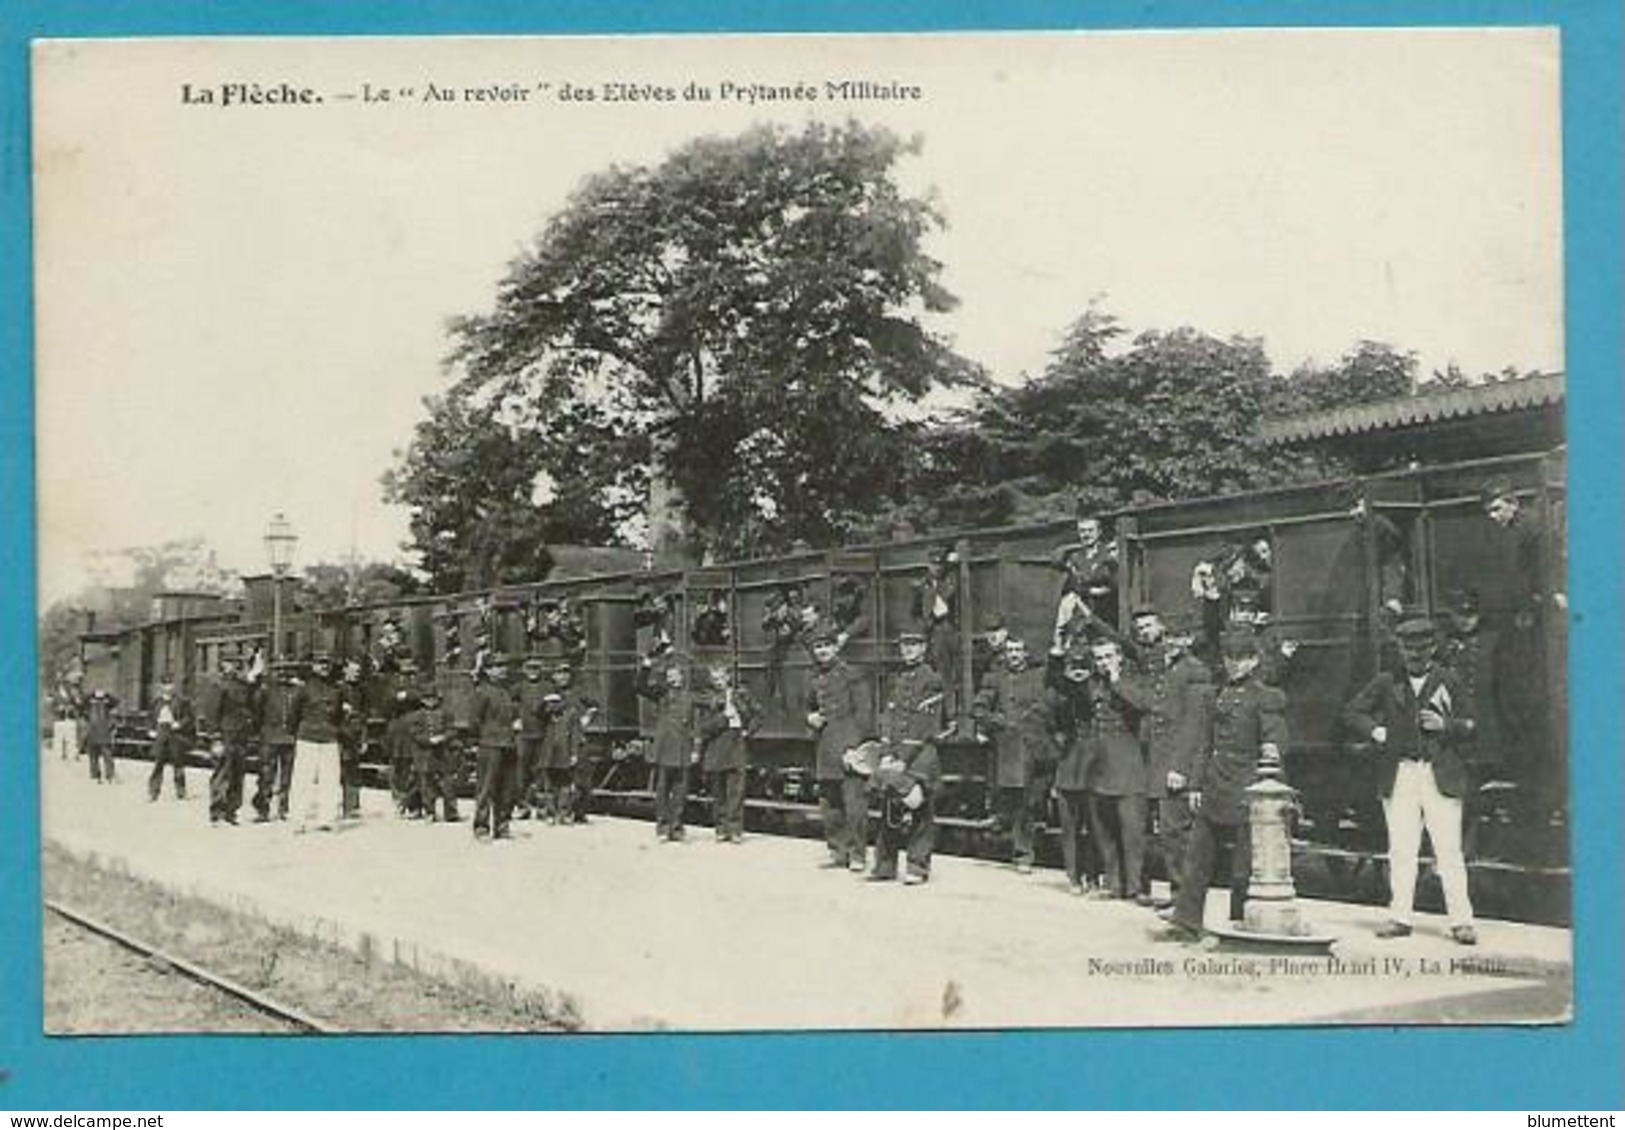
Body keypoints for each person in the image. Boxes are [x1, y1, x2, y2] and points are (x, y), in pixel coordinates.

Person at [1343, 617, 1479, 945]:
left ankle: (1462, 922)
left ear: (1433, 648)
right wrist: (1378, 732)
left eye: (1421, 649)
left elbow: (1474, 725)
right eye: (1408, 649)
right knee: (1401, 848)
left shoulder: (1449, 680)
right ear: (1400, 650)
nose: (1415, 656)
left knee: (1448, 849)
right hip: (1401, 773)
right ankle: (1400, 917)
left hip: (1439, 774)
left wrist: (1446, 726)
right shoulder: (1388, 682)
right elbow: (1352, 712)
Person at [1157, 630, 1287, 943]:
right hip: (1215, 784)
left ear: (1254, 661)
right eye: (1229, 658)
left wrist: (1273, 749)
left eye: (1241, 658)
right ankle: (1186, 923)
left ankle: (1242, 925)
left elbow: (1275, 735)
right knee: (1197, 861)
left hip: (1247, 788)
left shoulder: (1265, 696)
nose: (1234, 664)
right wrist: (1196, 785)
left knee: (1245, 865)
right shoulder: (1216, 695)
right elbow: (1206, 743)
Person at [1132, 607, 1210, 907]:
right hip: (1156, 761)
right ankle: (1177, 894)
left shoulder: (1195, 672)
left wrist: (1180, 768)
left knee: (1176, 833)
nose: (1173, 644)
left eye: (1180, 639)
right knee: (1167, 833)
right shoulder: (1168, 669)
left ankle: (1184, 897)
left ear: (1190, 640)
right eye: (1170, 638)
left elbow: (1194, 727)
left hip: (1175, 765)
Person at [972, 637, 1064, 876]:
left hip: (1042, 746)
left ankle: (1028, 828)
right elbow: (979, 708)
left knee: (1035, 799)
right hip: (1014, 749)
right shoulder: (996, 678)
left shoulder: (1040, 675)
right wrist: (999, 722)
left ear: (1026, 653)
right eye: (1010, 650)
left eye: (1018, 650)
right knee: (1023, 803)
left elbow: (1056, 698)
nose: (1014, 655)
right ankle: (1023, 854)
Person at [870, 631, 948, 883]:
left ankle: (917, 867)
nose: (908, 650)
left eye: (914, 645)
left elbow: (924, 724)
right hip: (896, 753)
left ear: (924, 648)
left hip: (921, 754)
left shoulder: (932, 679)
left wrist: (903, 757)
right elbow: (888, 718)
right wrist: (885, 753)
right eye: (905, 645)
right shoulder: (898, 678)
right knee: (889, 808)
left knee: (920, 811)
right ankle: (884, 866)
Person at [1082, 638, 1152, 902]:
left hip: (1128, 764)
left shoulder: (1133, 680)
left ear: (1120, 657)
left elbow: (1142, 703)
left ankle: (1135, 887)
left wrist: (1116, 679)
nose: (1103, 662)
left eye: (1109, 656)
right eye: (1098, 658)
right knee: (1105, 830)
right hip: (1099, 766)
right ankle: (1113, 884)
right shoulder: (1092, 683)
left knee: (1132, 832)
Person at [806, 626, 876, 872]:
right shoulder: (815, 678)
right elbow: (809, 707)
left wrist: (855, 748)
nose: (822, 651)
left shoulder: (851, 674)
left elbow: (864, 713)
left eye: (826, 646)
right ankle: (838, 852)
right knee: (830, 804)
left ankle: (858, 854)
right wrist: (810, 718)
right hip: (825, 746)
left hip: (848, 747)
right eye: (817, 647)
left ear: (836, 648)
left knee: (854, 804)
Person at [1048, 644, 1098, 894]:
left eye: (1083, 668)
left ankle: (1093, 875)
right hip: (1068, 765)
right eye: (1073, 668)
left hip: (1093, 766)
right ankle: (1075, 876)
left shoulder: (1096, 690)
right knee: (1070, 827)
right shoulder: (1058, 695)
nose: (1078, 673)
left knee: (1094, 825)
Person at [696, 662, 760, 843]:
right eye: (714, 679)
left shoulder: (741, 695)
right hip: (716, 746)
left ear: (728, 678)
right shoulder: (707, 699)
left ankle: (736, 830)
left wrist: (749, 731)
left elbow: (759, 714)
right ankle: (721, 828)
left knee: (736, 791)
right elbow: (704, 728)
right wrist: (724, 718)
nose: (718, 682)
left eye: (721, 678)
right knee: (719, 792)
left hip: (736, 744)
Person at [638, 655, 698, 843]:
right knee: (662, 789)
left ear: (682, 677)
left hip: (682, 747)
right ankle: (663, 827)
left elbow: (696, 725)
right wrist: (646, 667)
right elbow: (640, 687)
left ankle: (677, 827)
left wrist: (696, 748)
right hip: (665, 747)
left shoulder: (690, 697)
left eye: (675, 675)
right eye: (669, 675)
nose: (672, 679)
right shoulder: (661, 693)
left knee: (681, 791)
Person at [466, 653, 521, 841]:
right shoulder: (482, 692)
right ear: (488, 671)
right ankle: (481, 827)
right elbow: (474, 721)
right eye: (497, 666)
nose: (502, 669)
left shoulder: (506, 692)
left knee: (507, 788)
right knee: (486, 787)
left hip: (508, 744)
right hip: (490, 745)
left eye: (504, 665)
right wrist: (483, 738)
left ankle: (502, 826)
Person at [288, 654, 345, 832]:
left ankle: (327, 819)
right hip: (307, 738)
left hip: (329, 738)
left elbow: (338, 715)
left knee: (330, 779)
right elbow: (293, 714)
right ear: (313, 666)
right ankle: (298, 820)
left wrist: (335, 731)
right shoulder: (303, 689)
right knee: (302, 780)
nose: (324, 667)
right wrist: (297, 734)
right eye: (320, 664)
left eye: (327, 664)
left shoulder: (337, 689)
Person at [538, 662, 598, 825]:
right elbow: (539, 713)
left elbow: (594, 705)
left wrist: (585, 720)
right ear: (553, 676)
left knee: (580, 779)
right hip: (555, 742)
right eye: (558, 673)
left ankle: (578, 812)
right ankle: (552, 812)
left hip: (576, 740)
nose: (563, 676)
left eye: (565, 672)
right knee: (553, 779)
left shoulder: (577, 692)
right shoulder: (548, 693)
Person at [202, 651, 257, 826]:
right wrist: (215, 737)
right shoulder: (218, 685)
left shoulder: (242, 685)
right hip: (225, 734)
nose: (233, 667)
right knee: (222, 772)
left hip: (241, 735)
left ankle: (231, 811)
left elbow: (249, 706)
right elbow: (211, 713)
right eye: (230, 663)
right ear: (223, 664)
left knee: (238, 774)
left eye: (236, 663)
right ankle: (217, 812)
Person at [1053, 514, 1118, 651]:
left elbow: (1112, 584)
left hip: (1104, 611)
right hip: (1080, 611)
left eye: (1090, 530)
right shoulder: (1075, 557)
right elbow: (1071, 583)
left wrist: (1090, 589)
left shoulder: (1107, 555)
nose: (1086, 535)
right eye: (1082, 531)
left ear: (1099, 532)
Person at [912, 547, 960, 712]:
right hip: (931, 634)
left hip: (948, 632)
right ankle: (942, 711)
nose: (937, 568)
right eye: (933, 564)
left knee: (951, 674)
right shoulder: (921, 586)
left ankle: (953, 711)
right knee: (935, 673)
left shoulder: (949, 583)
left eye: (940, 565)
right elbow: (915, 612)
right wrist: (924, 626)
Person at [251, 659, 299, 822]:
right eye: (278, 670)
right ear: (272, 672)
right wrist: (261, 732)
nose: (282, 673)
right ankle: (263, 809)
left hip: (289, 738)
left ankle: (283, 808)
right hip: (269, 737)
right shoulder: (265, 691)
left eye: (286, 670)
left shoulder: (296, 690)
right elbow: (256, 713)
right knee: (266, 774)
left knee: (287, 775)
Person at [411, 682, 461, 823]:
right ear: (422, 700)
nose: (430, 701)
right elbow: (415, 734)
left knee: (448, 784)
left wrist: (443, 738)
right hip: (425, 754)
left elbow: (452, 730)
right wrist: (428, 740)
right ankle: (429, 811)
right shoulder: (417, 716)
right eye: (427, 698)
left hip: (442, 753)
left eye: (433, 698)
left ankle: (451, 812)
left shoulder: (446, 713)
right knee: (427, 784)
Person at [513, 656, 551, 819]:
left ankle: (542, 807)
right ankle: (523, 805)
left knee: (541, 771)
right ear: (524, 670)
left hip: (542, 734)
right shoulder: (518, 687)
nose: (533, 672)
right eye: (529, 668)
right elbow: (510, 705)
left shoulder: (548, 687)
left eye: (536, 668)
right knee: (521, 771)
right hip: (524, 735)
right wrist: (515, 719)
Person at [146, 676, 194, 802]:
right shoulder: (156, 702)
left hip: (175, 735)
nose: (168, 687)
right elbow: (150, 717)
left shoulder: (182, 701)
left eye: (170, 684)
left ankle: (181, 792)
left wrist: (180, 724)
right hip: (161, 734)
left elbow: (189, 717)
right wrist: (151, 730)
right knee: (158, 765)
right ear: (161, 686)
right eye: (165, 684)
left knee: (178, 765)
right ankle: (153, 792)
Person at [83, 689, 118, 783]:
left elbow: (116, 701)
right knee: (95, 756)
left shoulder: (106, 704)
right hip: (96, 733)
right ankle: (98, 775)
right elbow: (83, 701)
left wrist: (106, 694)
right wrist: (93, 693)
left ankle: (108, 775)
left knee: (105, 756)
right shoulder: (91, 704)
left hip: (102, 733)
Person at [50, 671, 85, 762]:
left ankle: (72, 755)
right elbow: (50, 705)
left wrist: (73, 706)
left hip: (70, 717)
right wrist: (57, 708)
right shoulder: (54, 693)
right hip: (59, 718)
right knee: (59, 738)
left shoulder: (71, 692)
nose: (61, 681)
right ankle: (58, 756)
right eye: (59, 680)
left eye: (62, 679)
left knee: (71, 738)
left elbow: (78, 703)